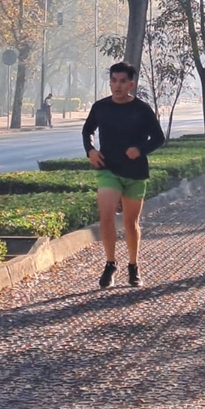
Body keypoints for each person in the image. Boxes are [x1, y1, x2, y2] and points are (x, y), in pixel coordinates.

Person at [81, 61, 165, 288]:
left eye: (122, 82)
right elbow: (87, 130)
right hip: (108, 169)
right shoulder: (101, 107)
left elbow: (158, 138)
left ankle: (133, 266)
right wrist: (90, 150)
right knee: (106, 216)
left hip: (135, 172)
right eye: (113, 81)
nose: (117, 86)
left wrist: (140, 149)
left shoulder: (141, 109)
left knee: (130, 223)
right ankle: (110, 263)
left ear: (131, 84)